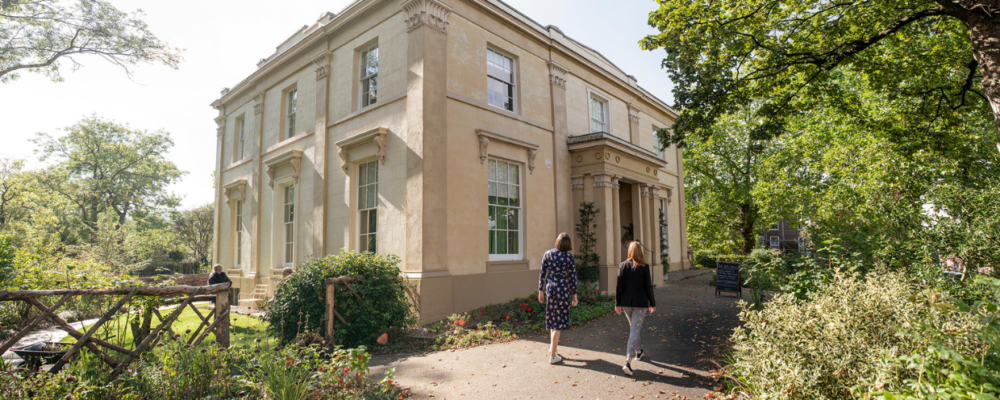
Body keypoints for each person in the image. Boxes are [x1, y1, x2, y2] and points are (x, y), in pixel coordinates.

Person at [615, 241, 656, 376]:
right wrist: (652, 303)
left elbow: (619, 287)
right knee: (634, 329)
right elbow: (648, 286)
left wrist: (618, 304)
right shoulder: (644, 267)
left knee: (634, 327)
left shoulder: (622, 265)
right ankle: (628, 361)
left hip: (627, 303)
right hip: (640, 303)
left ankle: (638, 351)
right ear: (640, 252)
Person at [538, 232, 578, 364]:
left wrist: (540, 290)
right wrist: (575, 295)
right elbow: (572, 277)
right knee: (559, 323)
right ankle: (553, 356)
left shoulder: (548, 254)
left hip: (551, 289)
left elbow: (542, 273)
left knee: (552, 318)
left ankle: (552, 349)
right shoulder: (569, 257)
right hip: (563, 290)